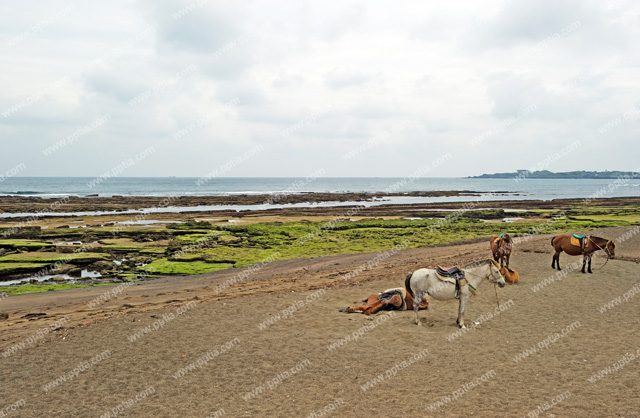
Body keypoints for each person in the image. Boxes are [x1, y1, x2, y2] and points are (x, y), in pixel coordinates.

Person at [340, 287, 429, 315]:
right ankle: (362, 308)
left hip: (401, 298)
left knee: (394, 299)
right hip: (401, 303)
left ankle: (361, 308)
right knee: (391, 300)